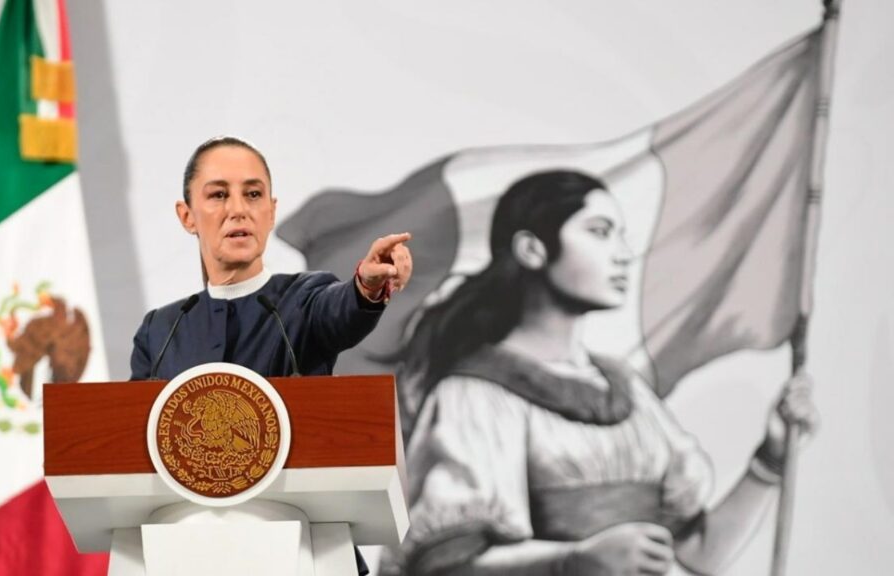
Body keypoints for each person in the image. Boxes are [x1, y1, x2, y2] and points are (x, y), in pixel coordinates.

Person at [378, 170, 819, 576]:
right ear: (532, 249)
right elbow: (446, 568)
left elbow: (700, 553)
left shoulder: (628, 392)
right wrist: (574, 560)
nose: (624, 255)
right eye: (600, 232)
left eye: (621, 236)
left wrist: (771, 458)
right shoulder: (475, 395)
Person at [130, 136, 413, 575]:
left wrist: (367, 286)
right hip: (190, 556)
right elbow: (130, 448)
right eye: (219, 195)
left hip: (305, 555)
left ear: (271, 211)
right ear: (187, 216)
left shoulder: (304, 299)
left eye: (253, 194)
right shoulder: (161, 330)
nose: (238, 209)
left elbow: (343, 309)